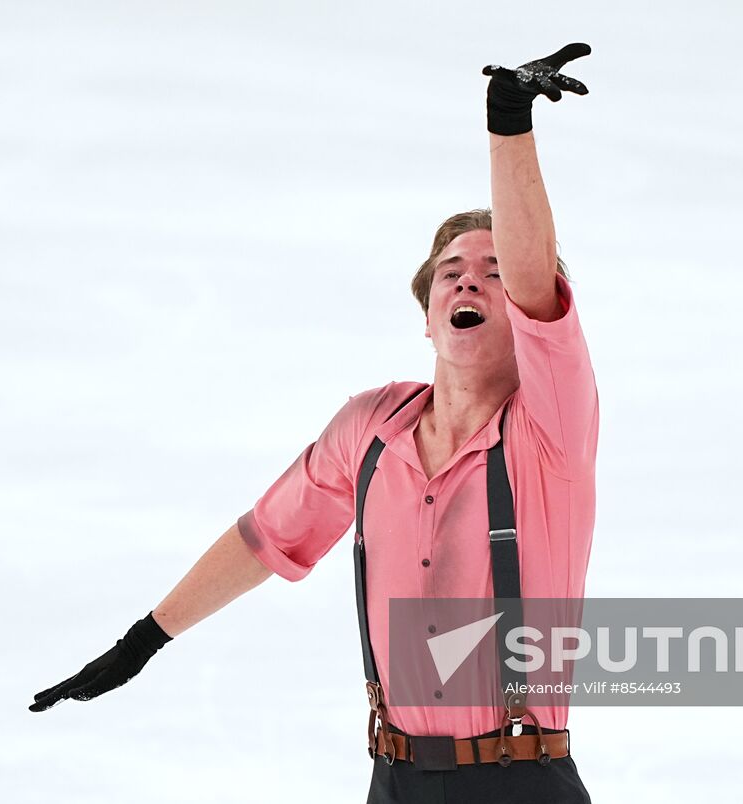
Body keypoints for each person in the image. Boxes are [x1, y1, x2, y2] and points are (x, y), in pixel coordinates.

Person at [30, 44, 599, 804]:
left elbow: (537, 283)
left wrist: (507, 126)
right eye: (451, 271)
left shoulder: (549, 430)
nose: (469, 278)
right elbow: (267, 537)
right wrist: (147, 638)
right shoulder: (368, 431)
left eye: (493, 271)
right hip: (392, 782)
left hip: (520, 783)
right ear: (427, 317)